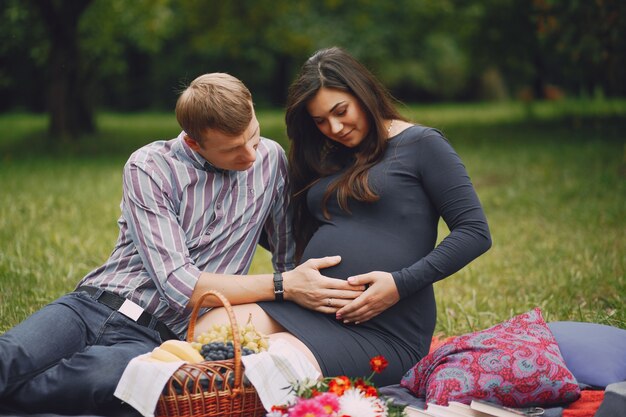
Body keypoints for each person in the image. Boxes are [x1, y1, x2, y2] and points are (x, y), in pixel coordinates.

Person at [0, 73, 362, 415]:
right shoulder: (149, 166)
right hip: (91, 306)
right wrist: (285, 287)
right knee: (11, 356)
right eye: (233, 150)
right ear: (193, 142)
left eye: (253, 137)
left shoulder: (270, 160)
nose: (250, 156)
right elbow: (181, 285)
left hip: (155, 338)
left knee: (101, 381)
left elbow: (286, 254)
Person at [257, 47, 492, 386]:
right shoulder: (330, 157)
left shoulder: (423, 144)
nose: (334, 127)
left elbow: (475, 232)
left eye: (341, 111)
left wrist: (399, 284)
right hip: (308, 308)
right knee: (213, 327)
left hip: (385, 329)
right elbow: (287, 232)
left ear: (362, 92)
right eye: (320, 120)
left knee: (270, 359)